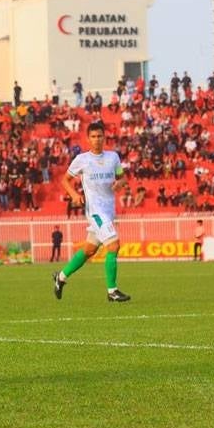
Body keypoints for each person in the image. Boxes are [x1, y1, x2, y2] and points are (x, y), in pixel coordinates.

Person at [52, 122, 131, 303]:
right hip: (95, 211)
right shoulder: (82, 159)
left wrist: (120, 183)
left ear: (105, 138)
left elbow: (122, 178)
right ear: (88, 139)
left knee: (89, 250)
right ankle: (112, 291)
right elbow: (65, 180)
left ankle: (61, 277)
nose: (97, 140)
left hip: (109, 210)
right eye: (93, 137)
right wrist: (73, 194)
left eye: (100, 136)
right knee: (113, 245)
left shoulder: (113, 157)